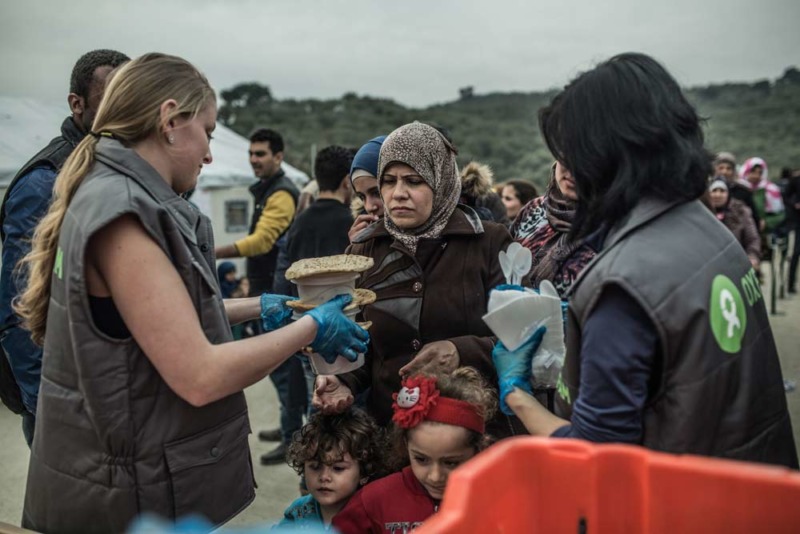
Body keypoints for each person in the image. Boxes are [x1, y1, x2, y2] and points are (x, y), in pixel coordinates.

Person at [14, 53, 369, 533]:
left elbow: (157, 317)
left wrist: (270, 308)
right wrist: (312, 324)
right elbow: (200, 375)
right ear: (170, 120)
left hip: (114, 473)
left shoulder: (106, 193)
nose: (207, 153)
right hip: (122, 496)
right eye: (208, 131)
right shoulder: (124, 215)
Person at [494, 52, 797, 468]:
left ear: (607, 153)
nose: (567, 167)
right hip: (754, 484)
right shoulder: (704, 226)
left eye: (574, 151)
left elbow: (597, 455)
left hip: (678, 504)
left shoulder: (621, 284)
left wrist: (516, 393)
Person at [313, 121, 527, 438]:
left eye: (414, 181)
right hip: (395, 433)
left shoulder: (490, 243)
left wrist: (462, 351)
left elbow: (522, 337)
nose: (398, 194)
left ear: (440, 180)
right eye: (388, 181)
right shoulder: (364, 249)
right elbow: (362, 339)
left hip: (474, 432)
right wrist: (343, 378)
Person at [0, 49, 130, 445]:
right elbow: (18, 308)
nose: (124, 111)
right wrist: (52, 403)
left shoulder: (116, 171)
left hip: (110, 393)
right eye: (111, 99)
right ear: (78, 104)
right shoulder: (45, 183)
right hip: (65, 401)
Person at [262, 145, 357, 466]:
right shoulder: (350, 221)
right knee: (343, 414)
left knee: (313, 406)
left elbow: (286, 271)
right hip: (345, 331)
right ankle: (337, 470)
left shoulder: (300, 221)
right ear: (348, 181)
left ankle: (310, 473)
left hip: (304, 332)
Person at [214, 128, 303, 455]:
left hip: (276, 293)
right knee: (279, 369)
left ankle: (292, 435)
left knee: (282, 369)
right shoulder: (267, 190)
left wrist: (212, 251)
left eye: (261, 154)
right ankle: (287, 427)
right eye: (251, 154)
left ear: (279, 157)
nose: (254, 160)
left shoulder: (281, 193)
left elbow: (262, 241)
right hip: (266, 289)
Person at [332, 367, 496, 533]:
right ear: (405, 444)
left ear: (478, 450)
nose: (435, 476)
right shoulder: (374, 501)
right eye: (421, 459)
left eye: (451, 463)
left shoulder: (498, 499)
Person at [278, 408, 386, 529]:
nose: (324, 477)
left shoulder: (372, 517)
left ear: (364, 472)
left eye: (338, 468)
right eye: (315, 467)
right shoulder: (298, 512)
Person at [510, 162, 597, 297]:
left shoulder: (613, 225)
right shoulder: (534, 209)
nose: (572, 170)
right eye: (566, 156)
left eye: (584, 158)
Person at [707, 178, 761, 268]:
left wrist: (752, 257)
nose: (718, 195)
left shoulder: (741, 211)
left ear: (728, 194)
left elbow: (752, 238)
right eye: (714, 190)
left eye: (722, 191)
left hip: (737, 264)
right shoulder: (703, 214)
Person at [348, 135, 387, 242]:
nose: (369, 207)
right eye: (362, 197)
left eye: (376, 193)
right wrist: (356, 250)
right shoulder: (366, 238)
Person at [713, 151, 761, 231]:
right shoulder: (707, 191)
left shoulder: (744, 191)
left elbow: (754, 220)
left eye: (728, 168)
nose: (724, 172)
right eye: (721, 168)